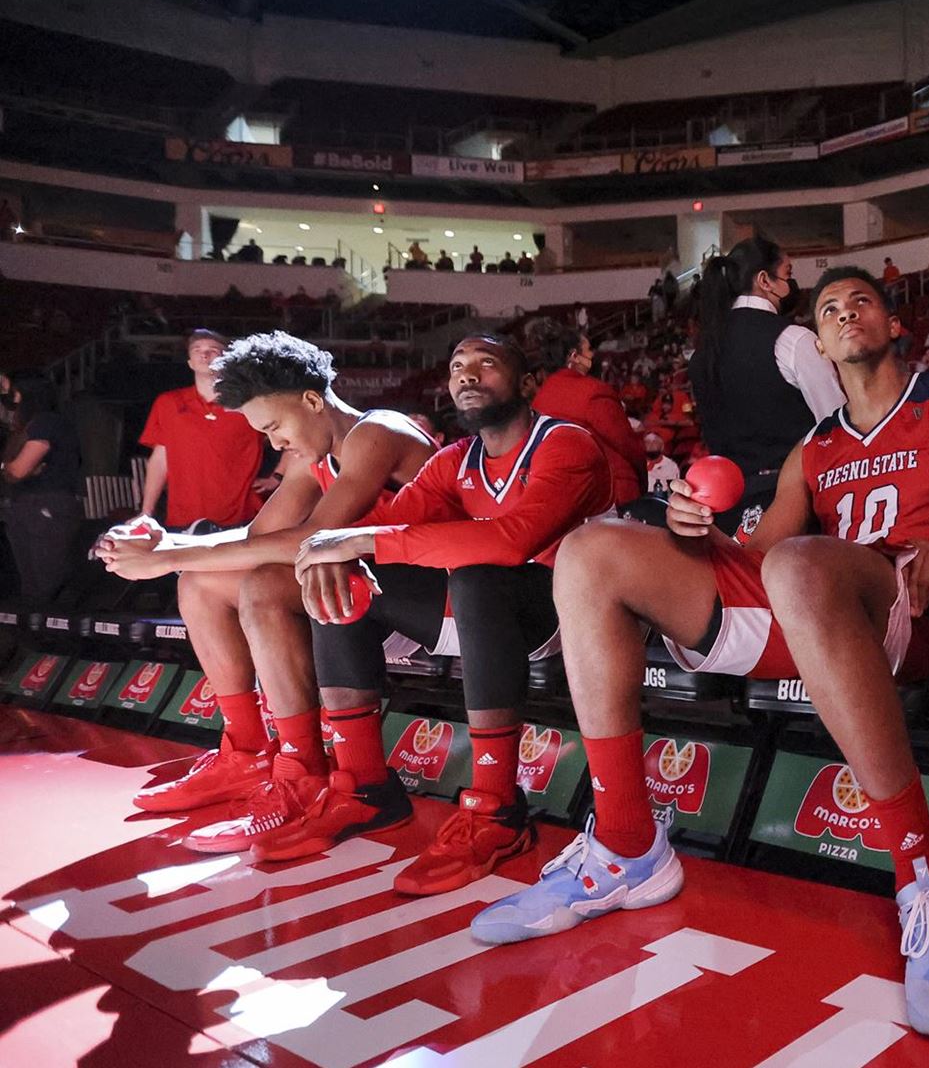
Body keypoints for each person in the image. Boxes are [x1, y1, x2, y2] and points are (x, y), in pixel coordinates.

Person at [471, 267, 929, 1040]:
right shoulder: (816, 446)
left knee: (802, 564)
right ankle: (629, 844)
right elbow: (760, 556)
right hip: (818, 611)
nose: (844, 313)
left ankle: (926, 874)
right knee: (591, 552)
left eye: (860, 300)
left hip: (925, 612)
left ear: (894, 324)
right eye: (828, 308)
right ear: (818, 340)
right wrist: (691, 533)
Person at [283, 333, 616, 885]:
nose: (467, 375)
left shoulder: (566, 443)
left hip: (578, 617)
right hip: (488, 617)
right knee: (341, 574)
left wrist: (361, 543)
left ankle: (497, 808)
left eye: (487, 364)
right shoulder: (455, 460)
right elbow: (394, 526)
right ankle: (365, 786)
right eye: (458, 366)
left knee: (481, 571)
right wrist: (336, 553)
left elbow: (514, 542)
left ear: (528, 384)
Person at [98, 333, 438, 828]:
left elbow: (319, 536)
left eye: (276, 426)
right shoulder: (315, 455)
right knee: (198, 583)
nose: (275, 444)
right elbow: (261, 536)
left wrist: (167, 557)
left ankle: (301, 773)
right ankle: (248, 752)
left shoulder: (377, 431)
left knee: (262, 584)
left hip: (435, 603)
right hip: (360, 598)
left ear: (312, 399)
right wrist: (163, 547)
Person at [690, 235, 846, 536]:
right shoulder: (793, 339)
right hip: (792, 504)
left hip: (726, 506)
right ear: (765, 280)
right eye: (787, 274)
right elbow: (834, 425)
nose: (791, 284)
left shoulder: (701, 354)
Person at [139, 330, 268, 530]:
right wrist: (146, 513)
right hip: (182, 519)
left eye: (213, 350)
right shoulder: (169, 403)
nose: (204, 355)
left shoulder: (249, 403)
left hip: (241, 519)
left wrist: (277, 477)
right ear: (190, 361)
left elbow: (290, 436)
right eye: (197, 350)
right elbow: (160, 458)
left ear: (227, 360)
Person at [525, 318, 646, 506]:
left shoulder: (540, 398)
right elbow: (626, 444)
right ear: (574, 356)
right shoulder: (594, 391)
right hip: (609, 494)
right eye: (589, 349)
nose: (592, 354)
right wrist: (642, 482)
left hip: (564, 496)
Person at [2, 373, 82, 601]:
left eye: (15, 392)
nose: (12, 399)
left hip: (46, 505)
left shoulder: (45, 422)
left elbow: (18, 470)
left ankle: (54, 629)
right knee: (32, 581)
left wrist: (9, 467)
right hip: (30, 505)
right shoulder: (33, 425)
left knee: (46, 579)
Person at [641, 431, 681, 495]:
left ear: (662, 446)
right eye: (647, 442)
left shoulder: (670, 465)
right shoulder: (638, 463)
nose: (651, 445)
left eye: (654, 442)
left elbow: (673, 491)